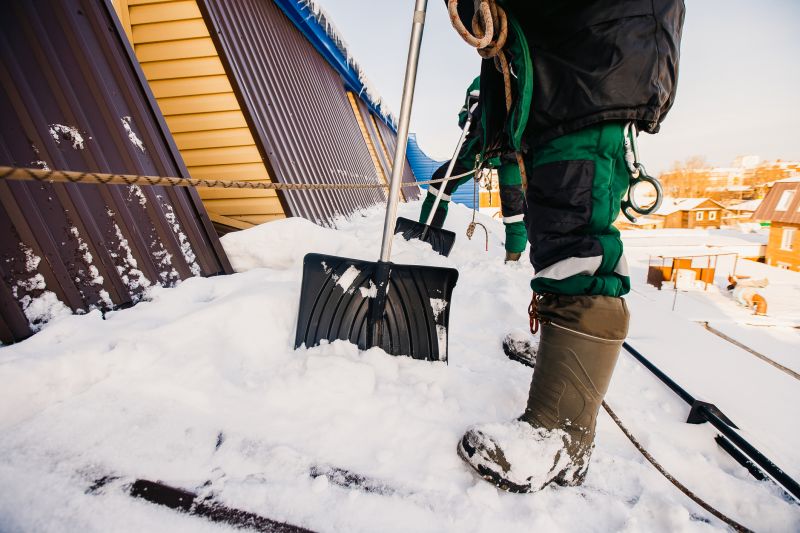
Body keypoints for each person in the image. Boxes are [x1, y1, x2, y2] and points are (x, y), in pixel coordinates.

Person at [448, 0, 686, 492]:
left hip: (591, 59)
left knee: (577, 240)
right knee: (554, 229)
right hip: (570, 66)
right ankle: (563, 363)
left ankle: (562, 437)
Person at [418, 77, 527, 262]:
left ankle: (513, 260)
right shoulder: (481, 80)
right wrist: (471, 112)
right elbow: (463, 116)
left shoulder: (520, 75)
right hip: (479, 145)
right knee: (440, 183)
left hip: (510, 149)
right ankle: (426, 238)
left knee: (514, 208)